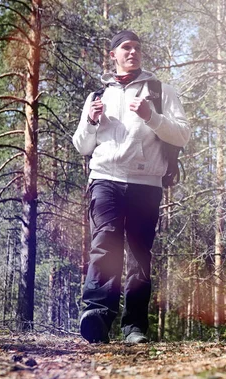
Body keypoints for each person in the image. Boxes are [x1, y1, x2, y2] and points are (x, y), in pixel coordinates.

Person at [73, 30, 190, 344]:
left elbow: (183, 134)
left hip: (145, 183)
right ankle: (97, 317)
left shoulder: (160, 90)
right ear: (114, 55)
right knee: (105, 247)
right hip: (105, 180)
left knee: (140, 255)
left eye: (137, 47)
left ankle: (134, 328)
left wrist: (151, 116)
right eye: (126, 47)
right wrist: (90, 122)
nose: (133, 52)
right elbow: (82, 146)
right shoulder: (98, 95)